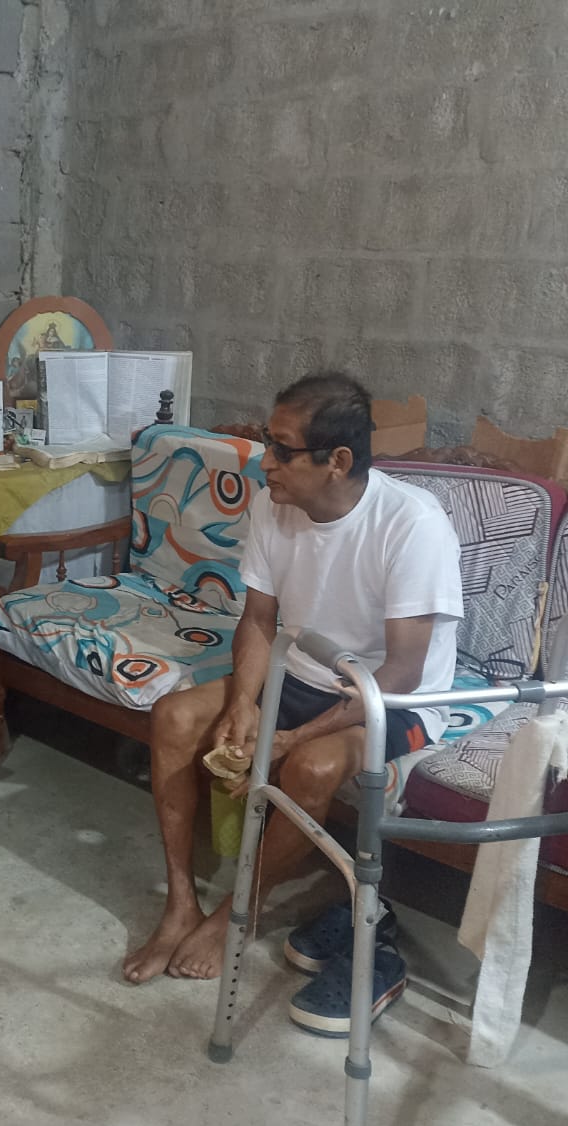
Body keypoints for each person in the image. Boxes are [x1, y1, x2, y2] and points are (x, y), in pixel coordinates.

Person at [121, 372, 462, 1036]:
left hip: (394, 700)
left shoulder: (411, 524)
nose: (264, 462)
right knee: (175, 716)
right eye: (266, 442)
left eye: (281, 449)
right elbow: (258, 618)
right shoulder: (273, 504)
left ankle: (239, 911)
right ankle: (181, 902)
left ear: (338, 461)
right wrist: (243, 704)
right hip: (301, 670)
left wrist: (291, 738)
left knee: (310, 765)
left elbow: (402, 670)